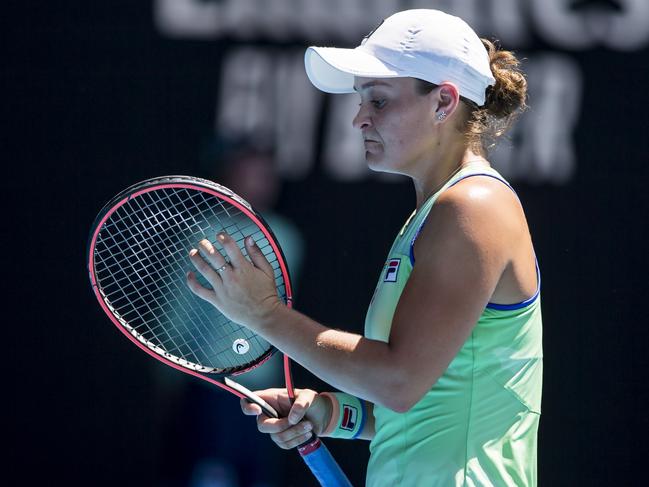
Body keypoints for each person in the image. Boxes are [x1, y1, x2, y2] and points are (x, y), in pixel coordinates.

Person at [186, 9, 542, 486]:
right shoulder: (433, 215)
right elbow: (420, 405)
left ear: (443, 102)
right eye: (361, 100)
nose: (359, 119)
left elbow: (399, 382)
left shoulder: (473, 205)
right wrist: (332, 414)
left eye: (378, 101)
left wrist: (265, 314)